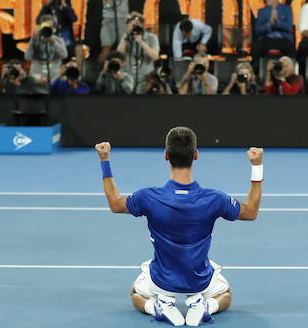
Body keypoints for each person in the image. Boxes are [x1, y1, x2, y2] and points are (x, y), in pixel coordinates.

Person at [94, 130, 262, 325]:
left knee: (135, 293)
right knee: (226, 294)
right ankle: (204, 306)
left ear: (166, 156)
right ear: (195, 155)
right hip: (200, 281)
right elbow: (250, 212)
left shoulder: (148, 197)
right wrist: (257, 166)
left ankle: (158, 306)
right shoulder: (214, 199)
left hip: (161, 281)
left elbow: (115, 203)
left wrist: (104, 160)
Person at [252, 0, 295, 68]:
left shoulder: (287, 9)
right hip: (267, 39)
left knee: (290, 48)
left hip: (283, 39)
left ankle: (290, 74)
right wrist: (269, 25)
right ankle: (257, 73)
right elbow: (258, 30)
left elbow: (289, 27)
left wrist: (277, 23)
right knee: (256, 47)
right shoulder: (262, 11)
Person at [24, 17, 69, 92]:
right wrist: (33, 39)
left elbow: (64, 55)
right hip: (37, 78)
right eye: (44, 27)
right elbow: (27, 57)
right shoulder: (35, 40)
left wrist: (53, 42)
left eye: (50, 27)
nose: (47, 29)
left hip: (54, 78)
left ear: (54, 28)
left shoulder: (58, 40)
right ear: (40, 27)